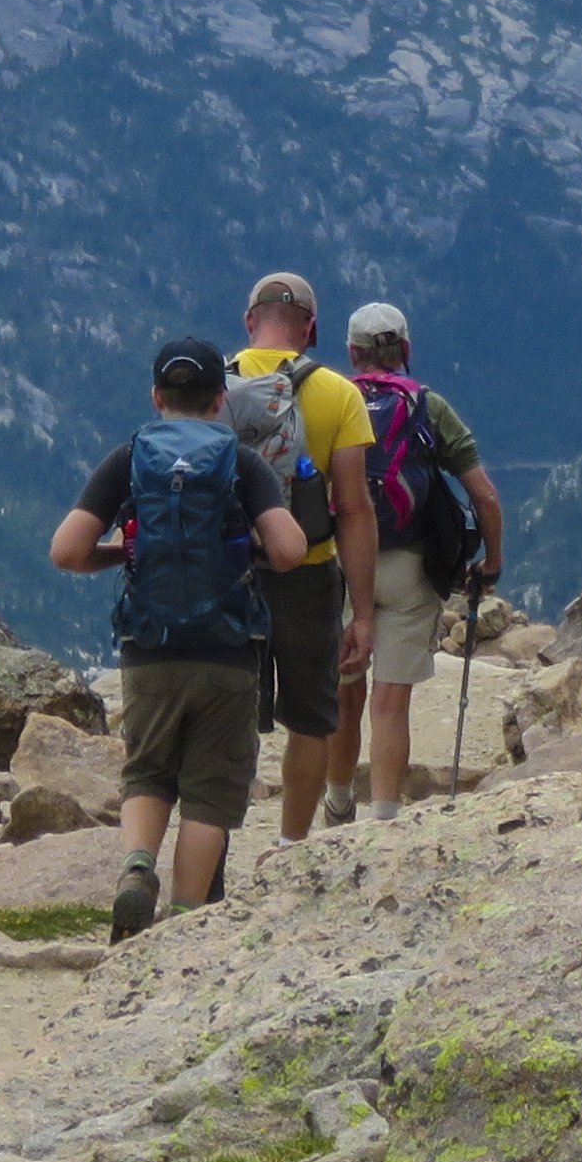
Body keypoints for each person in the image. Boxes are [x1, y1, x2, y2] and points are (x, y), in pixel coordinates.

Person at [52, 335, 310, 937]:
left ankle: (138, 866)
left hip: (148, 646)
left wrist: (124, 554)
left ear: (156, 397)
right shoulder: (240, 462)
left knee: (147, 771)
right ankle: (185, 923)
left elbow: (66, 551)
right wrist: (247, 554)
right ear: (221, 400)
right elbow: (291, 550)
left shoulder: (129, 458)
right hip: (227, 649)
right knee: (211, 792)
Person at [335, 304, 506, 821]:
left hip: (342, 567)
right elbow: (485, 497)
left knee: (344, 692)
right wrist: (491, 560)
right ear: (406, 351)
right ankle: (385, 820)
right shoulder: (427, 407)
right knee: (390, 702)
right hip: (410, 566)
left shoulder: (329, 399)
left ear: (352, 353)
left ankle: (338, 804)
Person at [233, 272, 376, 840]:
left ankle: (213, 849)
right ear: (311, 330)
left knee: (228, 717)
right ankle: (292, 847)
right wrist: (362, 614)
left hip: (231, 574)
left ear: (249, 322)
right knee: (312, 721)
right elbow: (354, 508)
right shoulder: (339, 393)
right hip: (310, 573)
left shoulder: (214, 384)